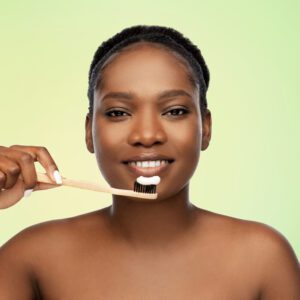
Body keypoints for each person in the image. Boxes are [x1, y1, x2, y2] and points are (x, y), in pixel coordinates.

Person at [0, 25, 299, 299]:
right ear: (89, 133)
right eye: (118, 113)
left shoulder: (263, 258)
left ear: (205, 129)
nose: (147, 135)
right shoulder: (31, 258)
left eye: (174, 111)